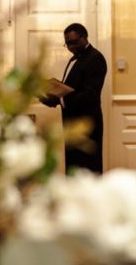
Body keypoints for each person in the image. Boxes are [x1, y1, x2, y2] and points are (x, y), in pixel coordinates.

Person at [40, 23, 107, 172]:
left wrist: (61, 100)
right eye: (67, 43)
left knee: (88, 168)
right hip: (72, 123)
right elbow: (71, 91)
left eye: (73, 42)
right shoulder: (74, 59)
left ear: (84, 37)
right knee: (74, 166)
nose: (70, 47)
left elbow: (90, 95)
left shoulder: (95, 58)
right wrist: (53, 98)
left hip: (87, 124)